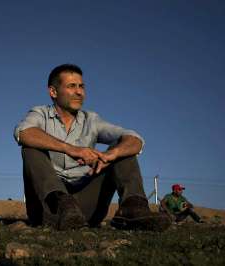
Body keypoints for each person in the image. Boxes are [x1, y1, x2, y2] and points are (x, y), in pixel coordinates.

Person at [13, 64, 171, 231]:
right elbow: (24, 133)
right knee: (30, 148)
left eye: (81, 86)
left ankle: (133, 209)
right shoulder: (40, 114)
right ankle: (62, 205)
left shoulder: (92, 120)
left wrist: (112, 154)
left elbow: (135, 139)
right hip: (47, 208)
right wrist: (70, 149)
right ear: (53, 92)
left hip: (84, 207)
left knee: (123, 147)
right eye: (71, 86)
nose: (79, 92)